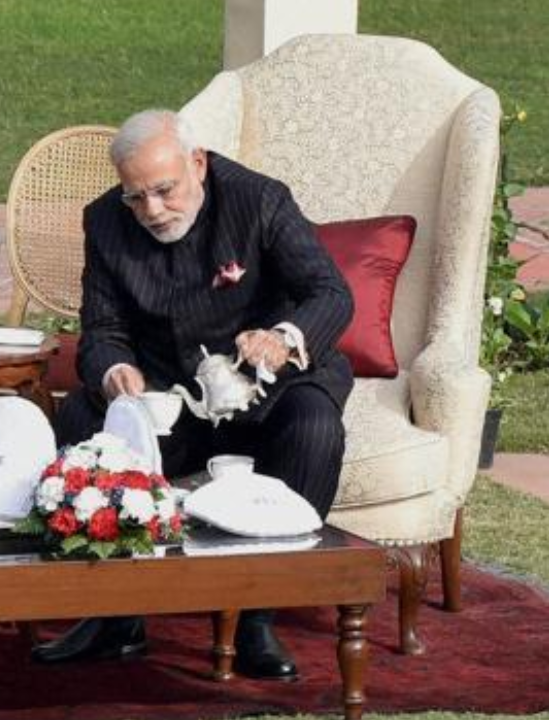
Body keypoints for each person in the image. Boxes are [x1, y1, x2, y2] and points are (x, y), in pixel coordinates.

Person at [32, 109, 354, 681]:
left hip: (267, 391)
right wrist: (115, 373)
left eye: (164, 190)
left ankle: (257, 618)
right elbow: (101, 333)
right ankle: (115, 614)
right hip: (170, 400)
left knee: (314, 424)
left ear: (197, 164)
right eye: (136, 197)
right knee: (84, 414)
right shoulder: (106, 222)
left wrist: (282, 341)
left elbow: (330, 293)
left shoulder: (259, 200)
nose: (152, 211)